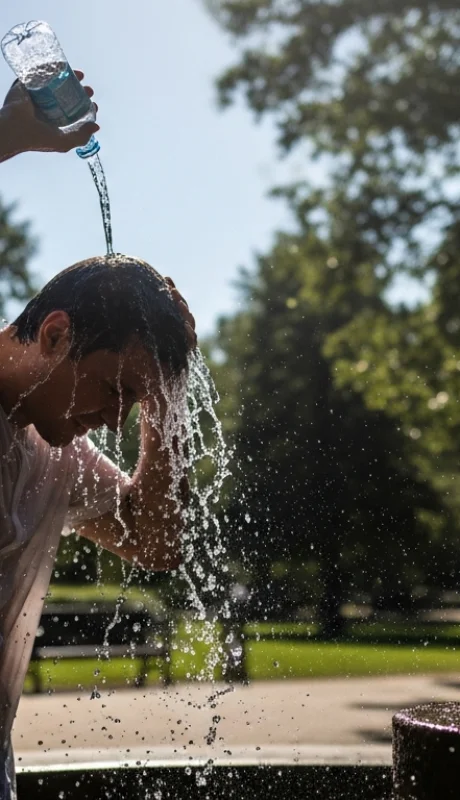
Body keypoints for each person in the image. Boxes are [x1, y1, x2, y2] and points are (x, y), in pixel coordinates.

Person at [0, 74, 197, 798]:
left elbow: (157, 542)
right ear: (55, 334)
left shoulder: (56, 461)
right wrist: (9, 137)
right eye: (118, 389)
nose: (120, 419)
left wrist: (167, 409)